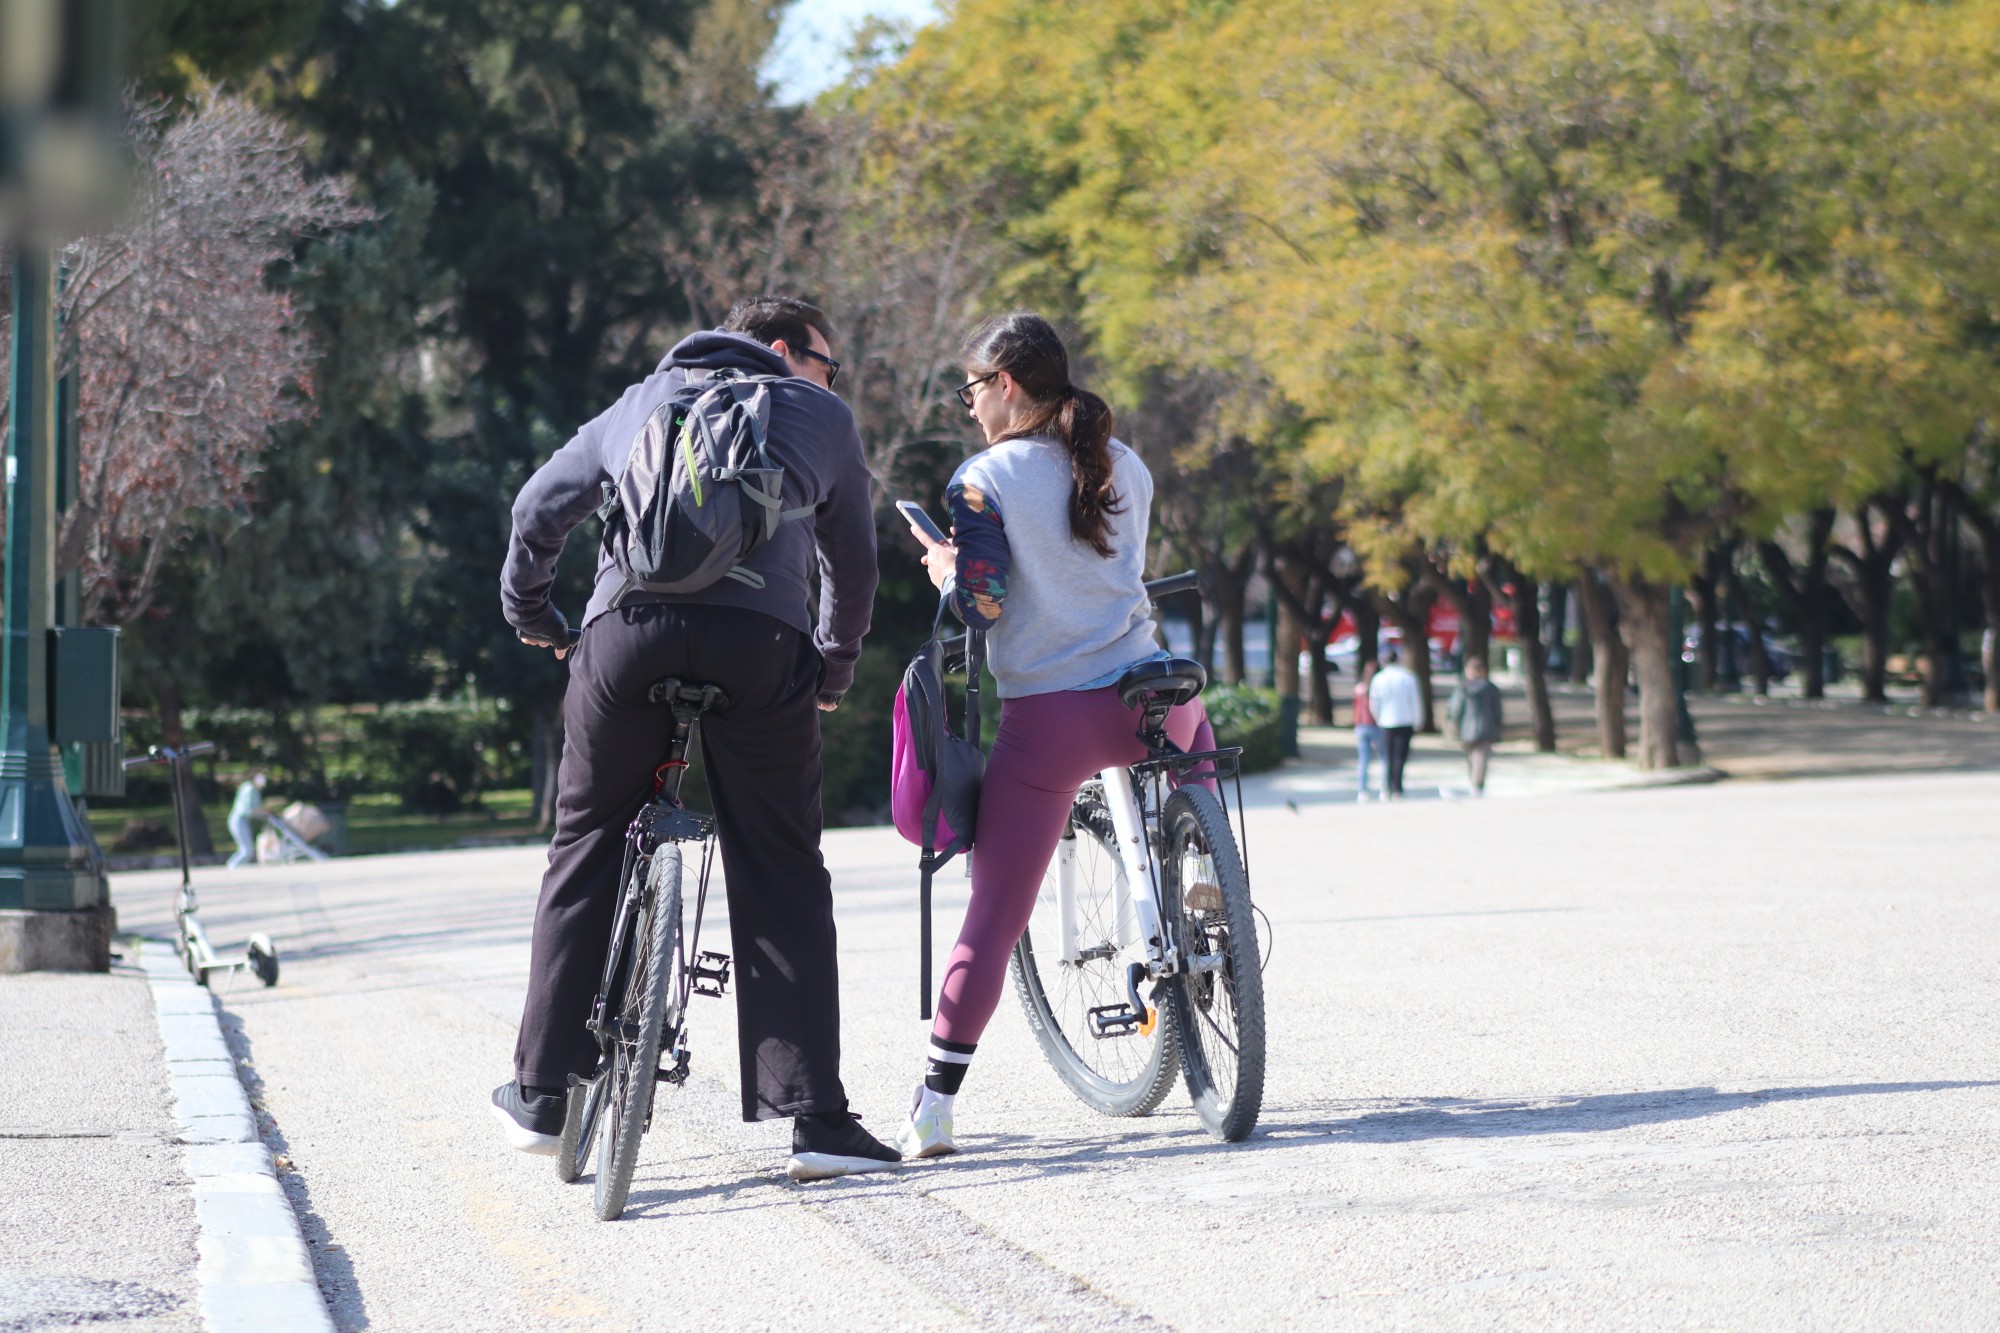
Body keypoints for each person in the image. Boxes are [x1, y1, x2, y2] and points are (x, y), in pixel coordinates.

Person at [494, 296, 897, 1182]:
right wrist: (831, 667)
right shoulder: (818, 415)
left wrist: (534, 613)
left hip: (625, 633)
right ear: (787, 351)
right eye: (828, 363)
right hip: (763, 646)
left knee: (586, 841)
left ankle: (541, 1090)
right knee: (782, 863)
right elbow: (854, 566)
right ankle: (816, 1120)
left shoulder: (640, 399)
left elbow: (536, 511)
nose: (832, 381)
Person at [897, 312, 1217, 1161]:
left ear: (1005, 385)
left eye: (971, 390)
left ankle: (934, 1104)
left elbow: (985, 601)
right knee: (1198, 753)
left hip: (1053, 718)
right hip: (1152, 691)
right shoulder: (1128, 463)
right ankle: (1204, 871)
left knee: (994, 914)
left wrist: (944, 569)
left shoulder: (982, 478)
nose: (968, 407)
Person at [1368, 647, 1421, 799]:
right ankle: (1397, 787)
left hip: (1386, 721)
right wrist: (1417, 720)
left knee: (1387, 756)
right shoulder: (1408, 677)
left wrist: (1378, 718)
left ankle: (1386, 788)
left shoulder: (1379, 678)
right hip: (1405, 721)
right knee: (1400, 756)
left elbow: (1374, 702)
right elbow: (1415, 701)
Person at [1448, 657, 1503, 794]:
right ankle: (1477, 783)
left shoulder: (1462, 688)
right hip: (1487, 726)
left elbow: (1455, 708)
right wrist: (1498, 725)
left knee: (1470, 755)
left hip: (1466, 727)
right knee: (1481, 756)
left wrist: (1454, 723)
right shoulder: (1491, 688)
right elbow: (1497, 710)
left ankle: (1474, 779)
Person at [1352, 659, 1383, 802]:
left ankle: (1362, 791)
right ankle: (1384, 788)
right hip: (1376, 726)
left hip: (1361, 726)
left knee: (1363, 761)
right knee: (1384, 759)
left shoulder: (1359, 689)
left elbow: (1356, 709)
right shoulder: (1377, 689)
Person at [226, 771, 267, 868]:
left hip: (242, 821)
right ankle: (231, 868)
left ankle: (232, 867)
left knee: (246, 849)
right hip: (239, 821)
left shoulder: (252, 789)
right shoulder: (250, 789)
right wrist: (262, 813)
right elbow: (247, 810)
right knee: (247, 850)